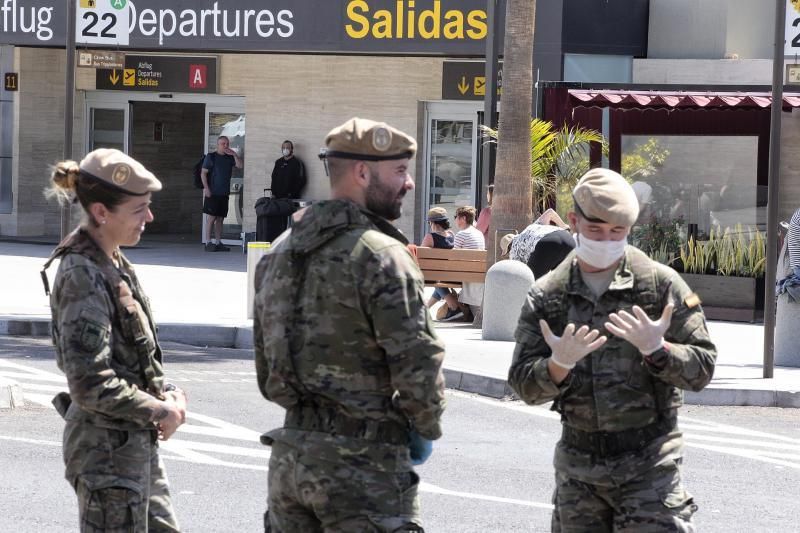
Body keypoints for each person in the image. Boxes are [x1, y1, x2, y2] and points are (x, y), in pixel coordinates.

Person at [253, 117, 446, 532]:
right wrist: (423, 429)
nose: (409, 183)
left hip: (291, 460)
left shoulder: (279, 254)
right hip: (365, 471)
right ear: (362, 173)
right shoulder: (382, 256)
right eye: (399, 171)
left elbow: (266, 370)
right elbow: (420, 367)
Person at [508, 168, 717, 532]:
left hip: (649, 468)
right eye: (595, 230)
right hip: (579, 474)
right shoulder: (548, 294)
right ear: (574, 220)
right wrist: (558, 365)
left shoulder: (659, 285)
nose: (607, 240)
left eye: (617, 231)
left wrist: (659, 349)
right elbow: (523, 385)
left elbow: (703, 367)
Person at [42, 148, 187, 532]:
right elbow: (90, 383)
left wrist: (169, 392)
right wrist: (160, 411)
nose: (149, 217)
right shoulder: (82, 274)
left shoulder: (114, 261)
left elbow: (132, 357)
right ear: (102, 213)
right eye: (139, 209)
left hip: (132, 445)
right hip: (105, 457)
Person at [438, 206, 485, 322]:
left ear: (463, 218)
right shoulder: (479, 234)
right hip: (478, 272)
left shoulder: (461, 234)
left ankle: (452, 308)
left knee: (437, 279)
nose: (455, 220)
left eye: (456, 217)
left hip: (464, 273)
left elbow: (453, 258)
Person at [201, 135, 243, 252]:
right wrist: (206, 188)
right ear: (218, 145)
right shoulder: (211, 157)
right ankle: (208, 242)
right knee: (211, 218)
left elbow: (240, 165)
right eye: (223, 144)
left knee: (220, 218)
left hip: (224, 193)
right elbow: (203, 173)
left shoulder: (229, 158)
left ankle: (218, 242)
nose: (225, 146)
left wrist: (234, 154)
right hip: (213, 192)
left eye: (227, 144)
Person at [421, 206, 455, 308]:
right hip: (451, 273)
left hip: (434, 274)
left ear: (433, 223)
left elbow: (419, 255)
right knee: (437, 278)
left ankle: (453, 305)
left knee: (434, 277)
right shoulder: (451, 235)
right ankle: (426, 308)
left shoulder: (430, 237)